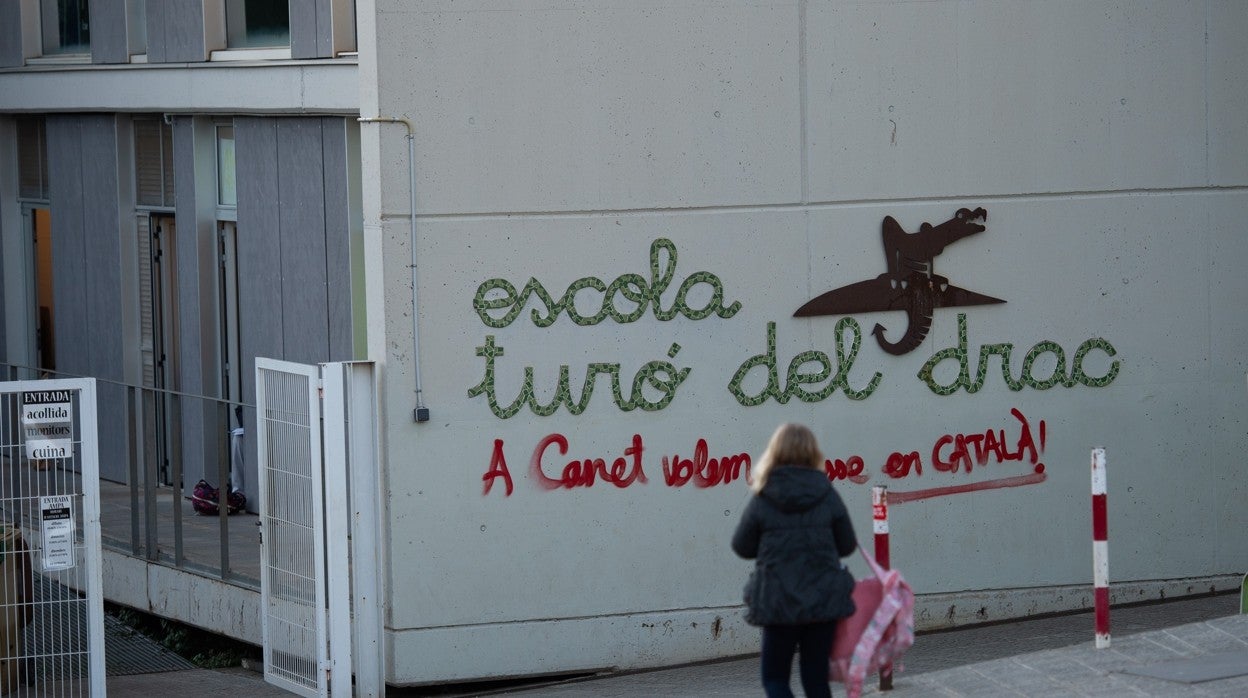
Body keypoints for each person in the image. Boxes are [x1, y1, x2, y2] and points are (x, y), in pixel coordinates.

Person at [732, 423, 858, 698]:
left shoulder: (763, 496)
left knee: (775, 679)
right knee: (816, 681)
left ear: (774, 452)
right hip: (822, 601)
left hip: (778, 602)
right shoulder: (827, 493)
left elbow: (742, 546)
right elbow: (847, 545)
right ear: (813, 452)